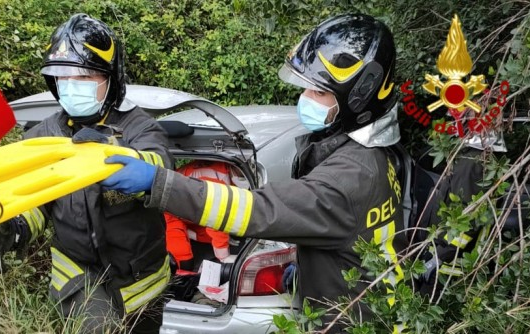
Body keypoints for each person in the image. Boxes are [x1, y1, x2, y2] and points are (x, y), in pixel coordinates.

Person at [100, 14, 408, 331]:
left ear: (358, 98)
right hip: (369, 303)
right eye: (306, 90)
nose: (304, 99)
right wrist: (306, 270)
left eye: (318, 93)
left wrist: (158, 182)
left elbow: (255, 210)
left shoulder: (349, 177)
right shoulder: (374, 152)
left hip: (354, 322)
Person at [0, 14, 173, 334]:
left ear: (110, 78)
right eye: (63, 77)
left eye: (84, 77)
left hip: (143, 279)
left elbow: (160, 164)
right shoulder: (44, 136)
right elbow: (36, 197)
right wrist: (12, 228)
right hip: (79, 274)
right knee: (97, 327)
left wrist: (109, 152)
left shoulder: (139, 127)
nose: (71, 86)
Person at [165, 161, 235, 271]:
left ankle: (190, 234)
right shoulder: (214, 180)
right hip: (170, 211)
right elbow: (216, 217)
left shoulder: (224, 170)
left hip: (191, 209)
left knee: (212, 238)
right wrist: (224, 256)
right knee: (183, 260)